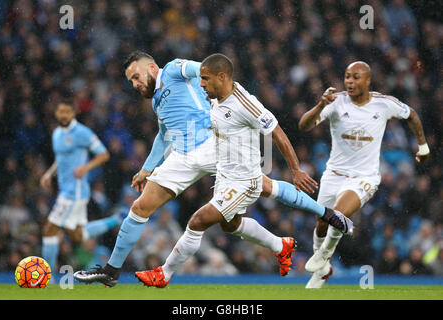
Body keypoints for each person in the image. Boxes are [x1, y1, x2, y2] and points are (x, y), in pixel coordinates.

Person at [74, 51, 352, 287]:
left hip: (213, 144)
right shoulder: (157, 100)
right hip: (180, 156)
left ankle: (325, 214)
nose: (134, 84)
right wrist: (147, 168)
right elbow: (162, 135)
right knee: (141, 208)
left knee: (261, 186)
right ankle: (111, 272)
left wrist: (215, 80)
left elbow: (205, 69)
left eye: (135, 77)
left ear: (150, 68)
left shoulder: (173, 69)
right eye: (130, 81)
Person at [298, 61, 430, 288]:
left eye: (356, 77)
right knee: (321, 223)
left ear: (368, 80)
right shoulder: (335, 102)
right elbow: (304, 125)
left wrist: (423, 146)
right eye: (347, 76)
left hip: (364, 178)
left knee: (337, 215)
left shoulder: (384, 104)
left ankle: (322, 257)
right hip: (334, 174)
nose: (350, 81)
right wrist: (320, 105)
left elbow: (412, 115)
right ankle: (324, 269)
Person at [40, 101, 123, 274]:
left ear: (73, 114)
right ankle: (115, 220)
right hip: (66, 190)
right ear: (57, 114)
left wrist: (85, 168)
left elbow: (104, 154)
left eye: (67, 112)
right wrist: (49, 173)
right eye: (61, 112)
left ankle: (46, 279)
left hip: (75, 192)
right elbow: (61, 158)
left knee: (49, 230)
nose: (64, 115)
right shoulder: (56, 134)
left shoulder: (82, 133)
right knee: (76, 235)